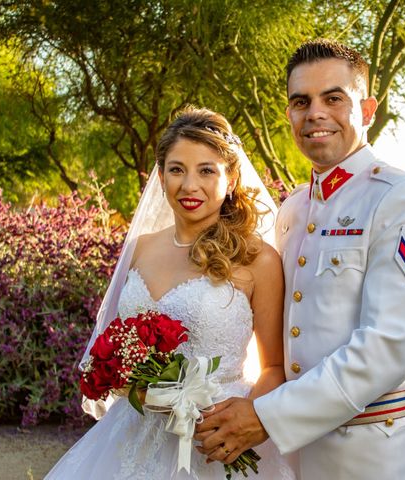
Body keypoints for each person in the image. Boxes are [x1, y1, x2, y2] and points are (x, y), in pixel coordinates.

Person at [195, 39, 405, 479]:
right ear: (289, 116)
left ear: (367, 110)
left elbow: (387, 348)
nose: (315, 113)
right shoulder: (292, 210)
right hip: (297, 455)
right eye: (301, 101)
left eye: (333, 98)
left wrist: (265, 416)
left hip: (379, 454)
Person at [45, 107, 296, 480]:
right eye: (177, 169)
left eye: (206, 170)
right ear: (160, 177)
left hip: (216, 436)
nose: (189, 185)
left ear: (231, 179)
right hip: (134, 430)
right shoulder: (142, 248)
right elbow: (116, 342)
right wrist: (127, 378)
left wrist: (245, 425)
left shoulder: (258, 259)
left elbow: (275, 366)